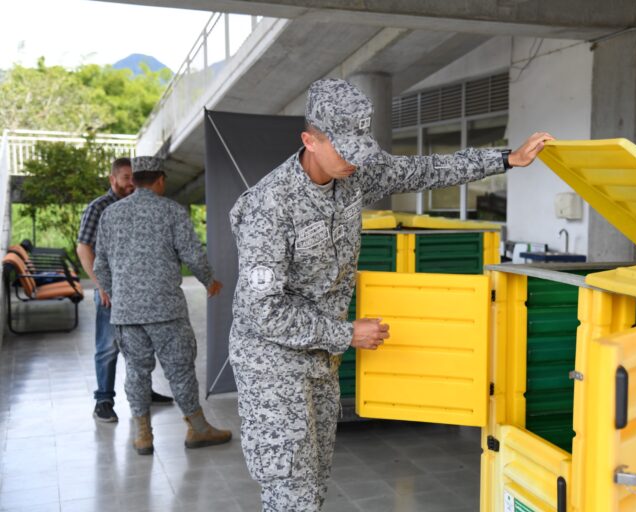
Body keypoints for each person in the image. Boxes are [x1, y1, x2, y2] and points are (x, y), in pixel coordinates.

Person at [228, 78, 554, 511]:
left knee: (314, 483)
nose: (354, 160)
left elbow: (425, 170)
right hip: (271, 362)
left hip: (320, 359)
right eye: (344, 149)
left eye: (359, 148)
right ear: (309, 140)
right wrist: (346, 334)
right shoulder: (269, 207)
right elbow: (261, 313)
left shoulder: (354, 173)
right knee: (291, 492)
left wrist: (506, 160)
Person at [93, 156, 231, 455]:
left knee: (136, 370)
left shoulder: (111, 214)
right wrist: (209, 281)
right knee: (180, 369)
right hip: (165, 310)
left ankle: (143, 434)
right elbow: (192, 254)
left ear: (135, 179)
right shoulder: (171, 211)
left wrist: (120, 295)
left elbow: (99, 264)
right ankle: (198, 428)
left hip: (127, 313)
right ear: (160, 180)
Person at [77, 157, 173, 423]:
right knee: (108, 347)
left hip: (141, 291)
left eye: (135, 178)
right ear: (112, 180)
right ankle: (104, 401)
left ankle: (144, 391)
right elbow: (84, 248)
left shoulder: (144, 206)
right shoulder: (99, 208)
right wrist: (100, 285)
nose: (132, 183)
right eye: (126, 178)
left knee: (141, 345)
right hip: (111, 292)